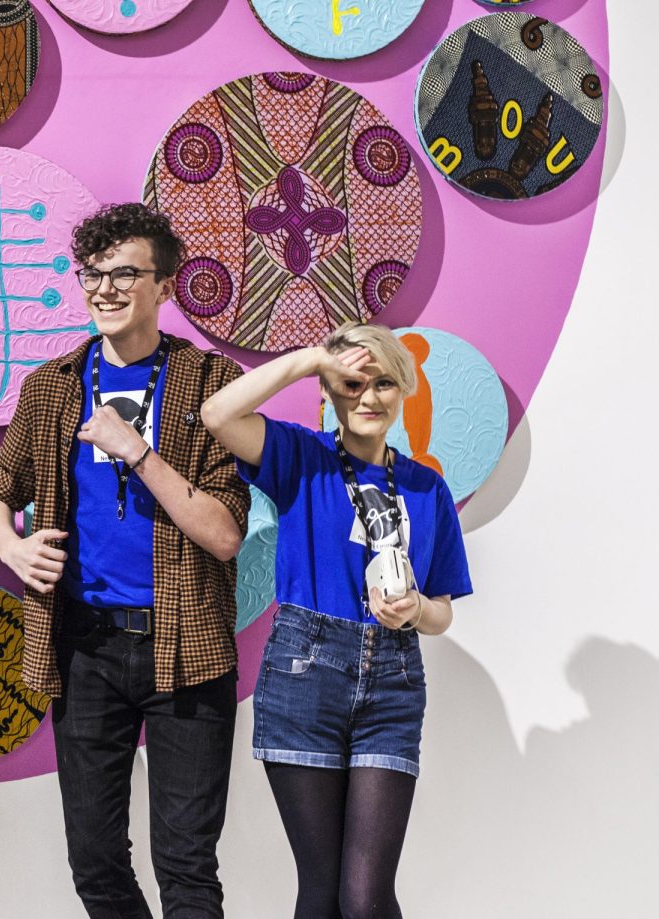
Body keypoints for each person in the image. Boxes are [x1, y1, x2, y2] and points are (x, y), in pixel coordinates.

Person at [0, 203, 249, 919]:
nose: (104, 289)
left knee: (186, 867)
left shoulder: (210, 381)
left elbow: (226, 534)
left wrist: (138, 451)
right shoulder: (53, 386)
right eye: (92, 274)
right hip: (85, 648)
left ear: (164, 285)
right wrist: (12, 546)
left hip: (186, 643)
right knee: (95, 863)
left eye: (125, 273)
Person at [200, 323, 472, 919]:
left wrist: (416, 609)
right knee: (322, 892)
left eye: (383, 383)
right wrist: (312, 359)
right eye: (352, 384)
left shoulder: (427, 489)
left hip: (393, 685)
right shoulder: (302, 458)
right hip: (304, 678)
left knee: (366, 897)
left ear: (403, 391)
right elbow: (217, 415)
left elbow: (443, 611)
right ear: (327, 392)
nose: (368, 397)